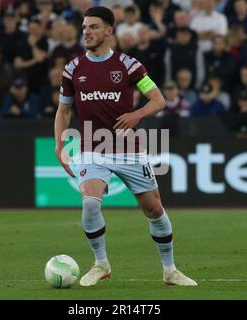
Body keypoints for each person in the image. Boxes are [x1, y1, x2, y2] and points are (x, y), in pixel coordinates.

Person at [54, 7, 197, 287]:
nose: (87, 32)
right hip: (92, 149)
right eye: (84, 27)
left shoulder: (129, 65)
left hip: (128, 150)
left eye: (93, 27)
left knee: (153, 208)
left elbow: (158, 100)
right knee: (91, 202)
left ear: (109, 31)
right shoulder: (73, 69)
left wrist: (136, 115)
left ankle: (170, 270)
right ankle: (101, 264)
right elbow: (63, 112)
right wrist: (60, 146)